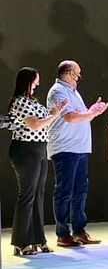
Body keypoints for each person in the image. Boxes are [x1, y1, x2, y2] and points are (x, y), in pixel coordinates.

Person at [47, 60, 108, 247]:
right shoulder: (58, 91)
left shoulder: (73, 92)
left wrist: (91, 111)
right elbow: (69, 117)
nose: (79, 77)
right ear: (70, 73)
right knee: (64, 191)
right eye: (77, 73)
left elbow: (80, 115)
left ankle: (79, 231)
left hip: (79, 148)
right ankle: (63, 233)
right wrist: (91, 114)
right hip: (66, 148)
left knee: (80, 191)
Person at [8, 67, 67, 256]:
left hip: (40, 149)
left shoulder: (33, 101)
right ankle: (22, 241)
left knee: (38, 195)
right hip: (25, 150)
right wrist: (54, 115)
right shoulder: (19, 102)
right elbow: (35, 125)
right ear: (28, 81)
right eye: (36, 80)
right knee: (27, 195)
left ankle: (38, 239)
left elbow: (44, 119)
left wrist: (56, 111)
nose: (38, 84)